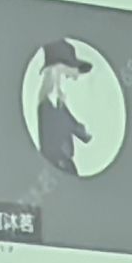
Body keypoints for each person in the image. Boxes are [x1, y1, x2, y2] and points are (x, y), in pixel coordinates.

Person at [34, 37, 95, 177]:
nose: (74, 77)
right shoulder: (50, 100)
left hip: (64, 166)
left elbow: (76, 129)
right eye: (71, 68)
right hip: (58, 166)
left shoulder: (57, 102)